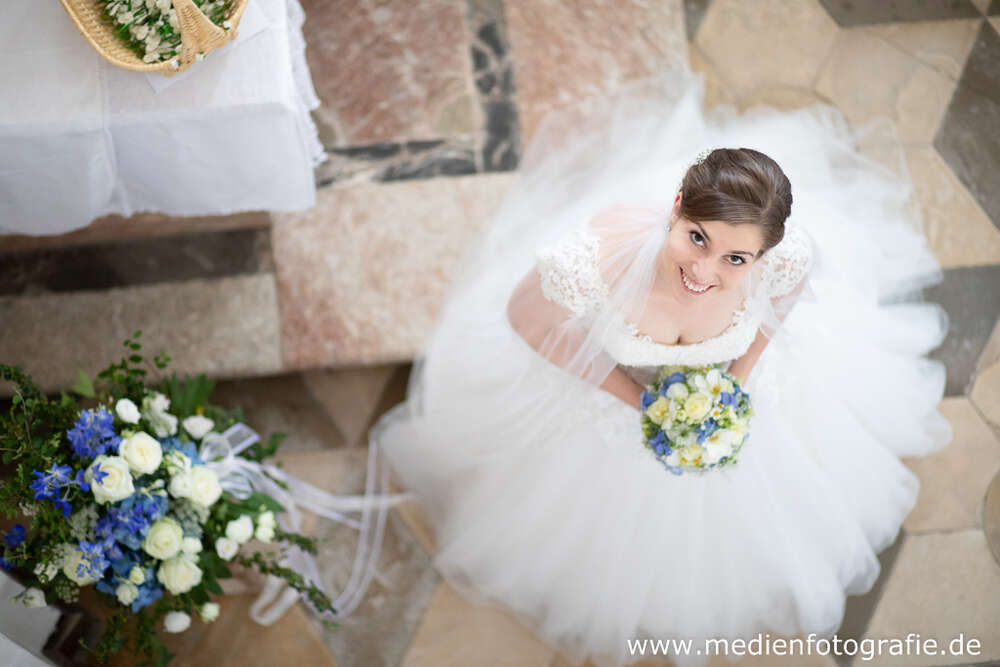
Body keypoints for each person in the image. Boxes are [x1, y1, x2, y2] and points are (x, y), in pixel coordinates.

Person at [366, 65, 952, 667]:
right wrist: (642, 401)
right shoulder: (596, 259)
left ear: (763, 253)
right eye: (697, 237)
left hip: (724, 388)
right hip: (608, 401)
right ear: (676, 207)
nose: (705, 272)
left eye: (736, 257)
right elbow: (528, 322)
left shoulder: (781, 263)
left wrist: (736, 382)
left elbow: (783, 301)